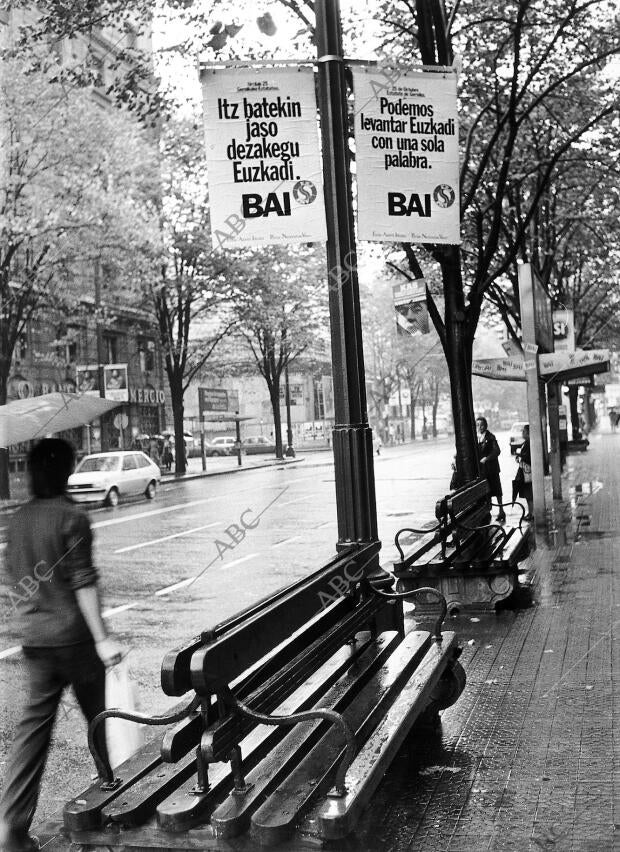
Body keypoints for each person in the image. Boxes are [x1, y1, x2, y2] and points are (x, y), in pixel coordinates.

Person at [0, 439, 124, 852]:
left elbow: (14, 577)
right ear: (65, 471)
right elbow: (83, 581)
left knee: (31, 734)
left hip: (35, 641)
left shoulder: (17, 520)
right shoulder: (73, 518)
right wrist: (103, 639)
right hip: (75, 641)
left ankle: (12, 827)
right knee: (96, 720)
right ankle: (109, 796)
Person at [476, 415, 506, 522]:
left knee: (497, 490)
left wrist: (486, 458)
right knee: (486, 492)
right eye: (478, 425)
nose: (480, 427)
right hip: (483, 471)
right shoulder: (477, 438)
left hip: (492, 469)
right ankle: (488, 512)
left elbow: (497, 451)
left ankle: (501, 511)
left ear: (486, 426)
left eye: (482, 425)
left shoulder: (490, 437)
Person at [516, 424, 534, 520]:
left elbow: (528, 457)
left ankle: (531, 513)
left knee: (529, 494)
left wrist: (520, 456)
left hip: (527, 472)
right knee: (528, 494)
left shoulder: (529, 443)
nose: (522, 433)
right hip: (526, 471)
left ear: (528, 433)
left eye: (524, 431)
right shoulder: (526, 442)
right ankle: (530, 513)